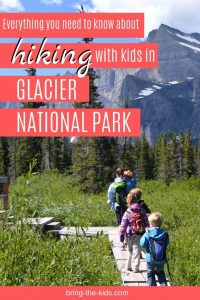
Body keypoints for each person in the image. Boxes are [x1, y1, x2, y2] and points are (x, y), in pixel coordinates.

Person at [119, 192, 149, 272]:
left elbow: (123, 225)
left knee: (130, 250)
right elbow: (146, 222)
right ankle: (136, 268)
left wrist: (121, 237)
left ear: (128, 201)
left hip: (129, 233)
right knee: (137, 249)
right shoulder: (141, 210)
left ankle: (128, 266)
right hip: (139, 232)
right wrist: (147, 231)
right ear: (136, 200)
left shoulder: (128, 211)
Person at [140, 212, 169, 286]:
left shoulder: (148, 233)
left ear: (152, 223)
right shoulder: (164, 234)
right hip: (161, 259)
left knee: (150, 275)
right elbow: (166, 244)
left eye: (149, 222)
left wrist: (147, 248)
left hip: (150, 259)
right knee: (161, 274)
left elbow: (142, 244)